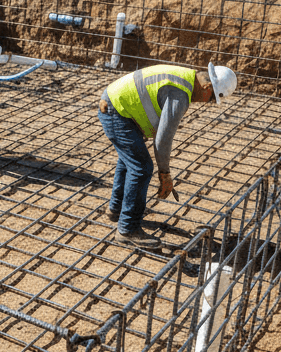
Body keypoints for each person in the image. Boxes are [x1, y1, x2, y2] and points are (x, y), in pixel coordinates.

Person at [98, 62, 238, 249]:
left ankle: (117, 209)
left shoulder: (184, 77)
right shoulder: (180, 95)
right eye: (212, 99)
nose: (207, 103)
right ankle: (128, 229)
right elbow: (162, 141)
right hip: (117, 110)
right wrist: (165, 174)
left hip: (117, 103)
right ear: (207, 88)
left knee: (130, 160)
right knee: (142, 168)